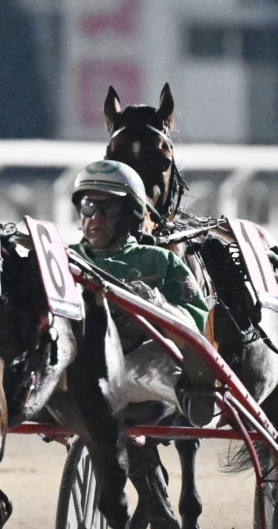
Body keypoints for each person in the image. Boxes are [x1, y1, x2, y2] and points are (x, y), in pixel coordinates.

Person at [68, 160, 209, 414]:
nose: (95, 218)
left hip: (136, 376)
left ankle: (191, 400)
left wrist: (156, 304)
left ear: (130, 214)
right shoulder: (61, 258)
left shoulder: (160, 260)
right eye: (89, 206)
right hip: (71, 367)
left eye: (108, 208)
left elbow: (196, 332)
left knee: (151, 360)